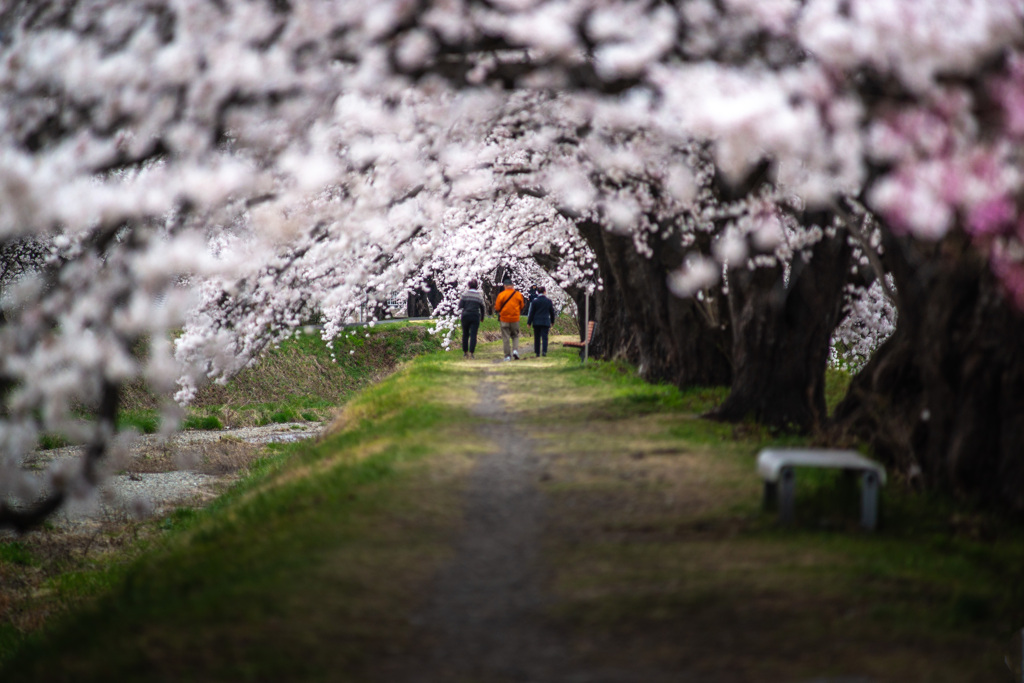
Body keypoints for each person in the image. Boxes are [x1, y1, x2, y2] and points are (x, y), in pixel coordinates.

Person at [494, 276, 525, 361]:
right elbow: (522, 306)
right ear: (513, 285)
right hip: (515, 319)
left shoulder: (501, 295)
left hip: (504, 319)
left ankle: (507, 355)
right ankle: (515, 350)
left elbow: (497, 307)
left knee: (506, 337)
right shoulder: (518, 295)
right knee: (515, 335)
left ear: (504, 286)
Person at [458, 278, 486, 359]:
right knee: (473, 334)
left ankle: (465, 351)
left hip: (466, 315)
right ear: (477, 286)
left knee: (465, 334)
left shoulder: (464, 294)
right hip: (475, 315)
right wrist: (482, 317)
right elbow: (482, 307)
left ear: (468, 286)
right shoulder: (479, 295)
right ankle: (471, 352)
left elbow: (460, 306)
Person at [526, 285, 555, 357]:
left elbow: (532, 313)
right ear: (544, 292)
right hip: (545, 321)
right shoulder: (548, 301)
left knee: (537, 337)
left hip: (536, 322)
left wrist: (529, 322)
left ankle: (537, 352)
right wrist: (552, 321)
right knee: (545, 337)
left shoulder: (535, 301)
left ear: (537, 292)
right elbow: (552, 312)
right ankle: (544, 351)